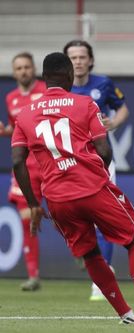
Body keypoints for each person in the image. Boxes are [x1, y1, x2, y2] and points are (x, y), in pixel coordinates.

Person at [11, 52, 134, 325]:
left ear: (44, 78)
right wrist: (98, 174)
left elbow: (17, 161)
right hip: (91, 187)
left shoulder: (25, 113)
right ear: (69, 76)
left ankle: (126, 315)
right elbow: (104, 149)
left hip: (57, 199)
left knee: (90, 254)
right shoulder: (84, 103)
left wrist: (34, 203)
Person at [63, 39, 129, 301]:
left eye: (82, 57)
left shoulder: (103, 83)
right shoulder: (60, 90)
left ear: (90, 60)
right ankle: (88, 258)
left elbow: (123, 107)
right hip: (70, 162)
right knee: (73, 218)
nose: (78, 62)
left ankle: (101, 279)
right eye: (73, 57)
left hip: (101, 159)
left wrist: (112, 123)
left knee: (105, 218)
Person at [0, 52, 46, 291]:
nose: (23, 71)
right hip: (25, 165)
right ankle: (33, 276)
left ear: (34, 68)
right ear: (14, 72)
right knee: (27, 217)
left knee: (66, 210)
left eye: (27, 67)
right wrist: (6, 130)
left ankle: (82, 253)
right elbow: (18, 130)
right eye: (19, 68)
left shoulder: (47, 91)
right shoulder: (11, 98)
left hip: (49, 160)